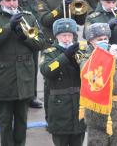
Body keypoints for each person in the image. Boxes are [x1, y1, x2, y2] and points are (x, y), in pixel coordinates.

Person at [0, 0, 45, 146]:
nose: (12, 3)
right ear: (0, 2)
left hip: (24, 75)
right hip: (5, 75)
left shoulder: (29, 17)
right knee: (5, 120)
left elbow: (40, 44)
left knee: (22, 120)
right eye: (8, 0)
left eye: (14, 0)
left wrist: (25, 37)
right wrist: (9, 26)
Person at [39, 18, 86, 146]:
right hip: (59, 105)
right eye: (63, 35)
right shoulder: (49, 53)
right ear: (57, 36)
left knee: (78, 140)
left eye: (69, 35)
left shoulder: (81, 51)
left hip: (79, 102)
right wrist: (65, 56)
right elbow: (47, 70)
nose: (66, 39)